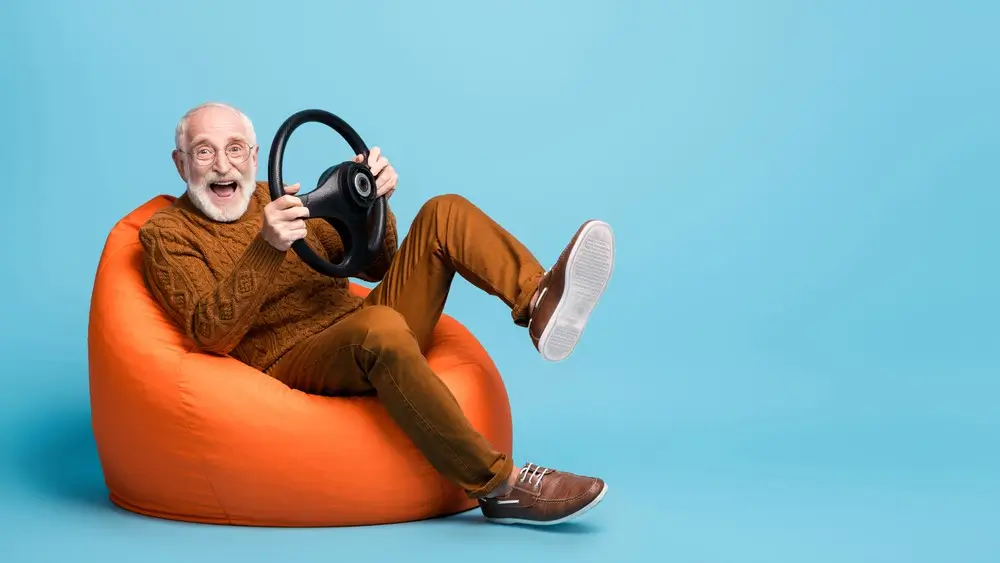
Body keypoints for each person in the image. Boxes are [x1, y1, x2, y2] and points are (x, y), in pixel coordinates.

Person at [138, 102, 616, 526]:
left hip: (360, 324)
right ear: (181, 164)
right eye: (204, 152)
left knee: (442, 212)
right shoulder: (167, 234)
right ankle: (501, 486)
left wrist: (369, 203)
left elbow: (376, 264)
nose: (223, 165)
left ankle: (538, 302)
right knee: (379, 327)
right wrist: (266, 247)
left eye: (235, 149)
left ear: (255, 155)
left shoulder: (279, 198)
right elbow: (210, 334)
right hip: (292, 357)